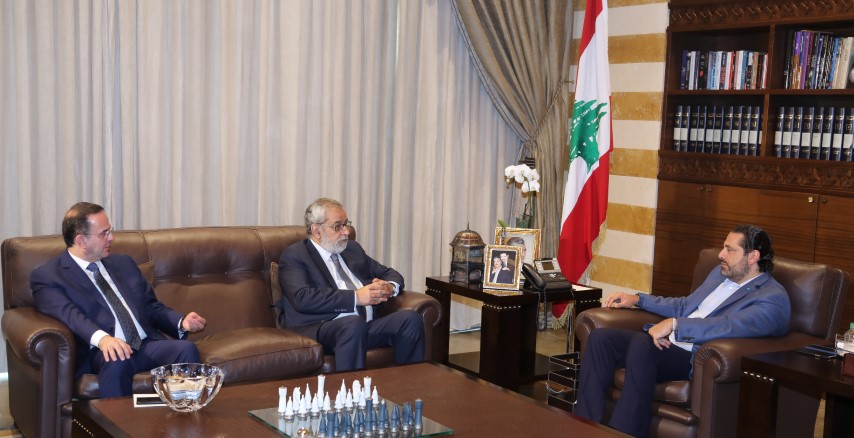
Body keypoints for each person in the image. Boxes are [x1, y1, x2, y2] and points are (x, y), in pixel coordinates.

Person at [575, 224, 790, 437]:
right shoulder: (720, 274)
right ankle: (583, 426)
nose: (721, 255)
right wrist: (638, 299)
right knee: (601, 338)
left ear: (753, 257)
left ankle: (623, 433)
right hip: (667, 342)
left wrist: (676, 325)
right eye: (723, 247)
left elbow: (729, 325)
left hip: (694, 356)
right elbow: (684, 306)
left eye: (730, 250)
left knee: (643, 344)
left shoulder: (771, 298)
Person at [30, 202, 206, 398]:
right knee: (117, 358)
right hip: (100, 351)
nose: (111, 238)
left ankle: (186, 412)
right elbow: (69, 315)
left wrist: (181, 322)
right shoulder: (50, 276)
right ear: (81, 241)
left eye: (110, 231)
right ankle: (117, 419)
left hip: (145, 344)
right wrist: (103, 339)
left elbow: (150, 306)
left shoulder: (123, 263)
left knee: (186, 349)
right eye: (104, 233)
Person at [277, 198, 425, 371]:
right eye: (337, 226)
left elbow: (390, 274)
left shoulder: (351, 249)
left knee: (410, 319)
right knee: (352, 324)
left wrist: (389, 287)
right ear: (316, 230)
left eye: (346, 224)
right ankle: (352, 389)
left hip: (363, 327)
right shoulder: (296, 255)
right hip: (321, 327)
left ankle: (409, 385)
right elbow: (302, 298)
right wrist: (356, 297)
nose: (346, 231)